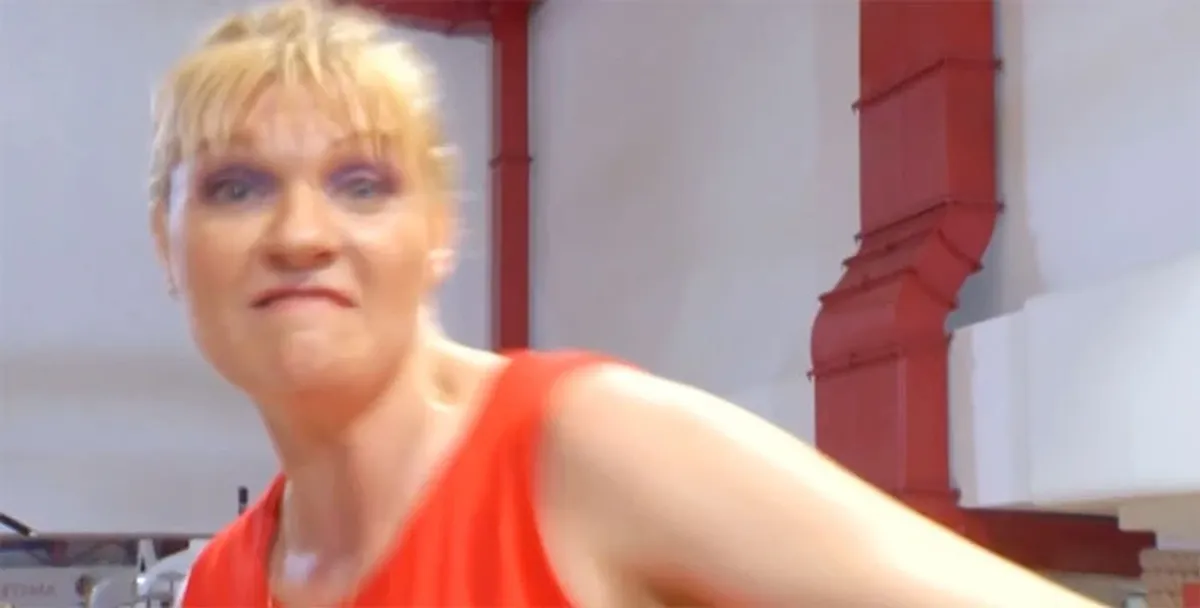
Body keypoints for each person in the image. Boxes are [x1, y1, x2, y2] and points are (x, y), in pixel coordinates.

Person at [151, 1, 1102, 606]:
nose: (301, 233)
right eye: (237, 187)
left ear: (439, 232)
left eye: (361, 184)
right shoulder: (220, 585)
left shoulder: (584, 453)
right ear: (168, 243)